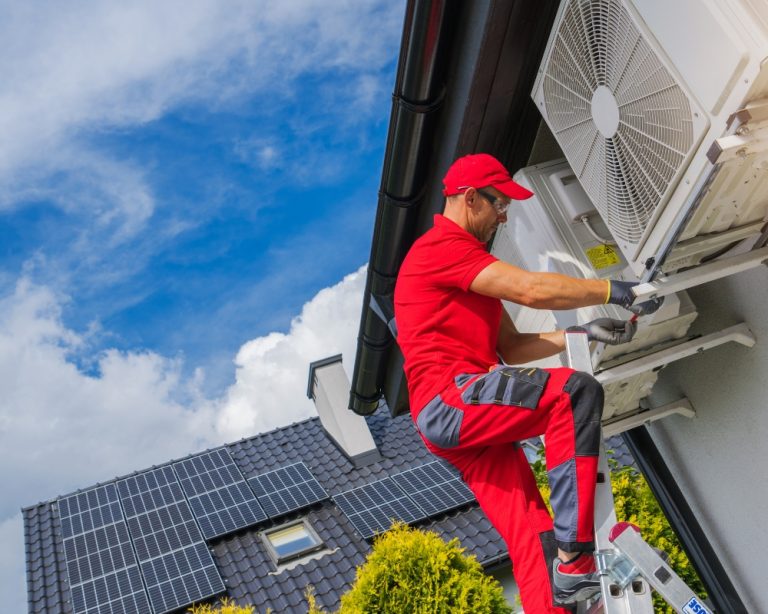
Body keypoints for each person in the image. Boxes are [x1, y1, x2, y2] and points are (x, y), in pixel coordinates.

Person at [393, 153, 661, 612]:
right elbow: (530, 290)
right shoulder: (442, 247)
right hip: (452, 399)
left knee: (531, 531)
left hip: (454, 420)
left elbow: (513, 348)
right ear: (470, 197)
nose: (504, 215)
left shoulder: (469, 268)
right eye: (499, 204)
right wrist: (614, 291)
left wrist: (578, 332)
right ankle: (575, 563)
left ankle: (555, 597)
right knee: (573, 393)